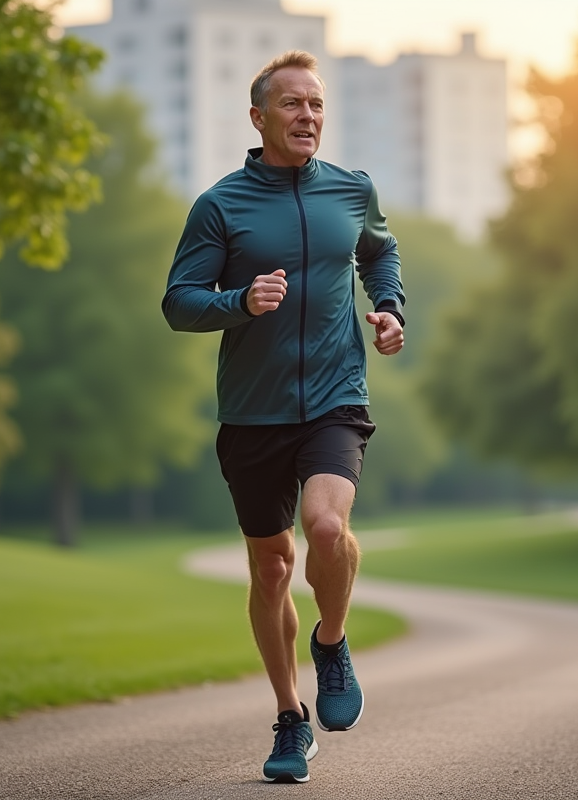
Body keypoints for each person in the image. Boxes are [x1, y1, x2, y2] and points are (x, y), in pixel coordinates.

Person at [162, 50, 405, 783]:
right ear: (258, 117)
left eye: (317, 105)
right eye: (293, 105)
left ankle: (330, 642)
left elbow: (380, 254)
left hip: (335, 397)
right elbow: (179, 302)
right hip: (252, 413)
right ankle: (290, 718)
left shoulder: (352, 191)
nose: (308, 117)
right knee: (272, 566)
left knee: (328, 527)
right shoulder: (221, 205)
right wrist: (240, 302)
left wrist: (390, 309)